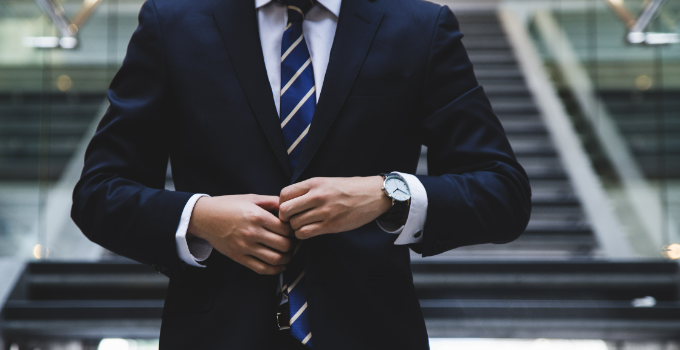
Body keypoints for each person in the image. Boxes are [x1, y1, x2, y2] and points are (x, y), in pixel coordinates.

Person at [71, 0, 531, 348]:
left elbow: (503, 191)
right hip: (215, 334)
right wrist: (200, 217)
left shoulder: (419, 27)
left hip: (372, 332)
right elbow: (98, 193)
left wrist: (389, 193)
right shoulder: (172, 22)